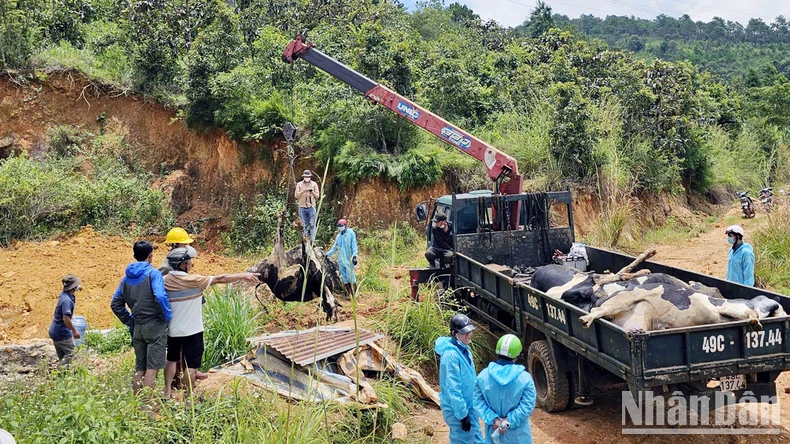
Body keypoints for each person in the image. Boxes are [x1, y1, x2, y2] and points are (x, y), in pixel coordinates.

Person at [162, 246, 259, 399]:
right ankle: (188, 399)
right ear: (183, 264)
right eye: (190, 261)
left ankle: (167, 392)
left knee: (171, 359)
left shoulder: (164, 281)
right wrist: (243, 275)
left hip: (172, 330)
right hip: (193, 331)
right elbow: (221, 278)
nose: (192, 264)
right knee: (191, 366)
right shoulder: (194, 281)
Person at [110, 240, 172, 394]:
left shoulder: (125, 279)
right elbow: (159, 295)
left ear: (134, 255)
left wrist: (130, 321)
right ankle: (147, 407)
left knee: (140, 368)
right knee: (152, 368)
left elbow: (115, 304)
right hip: (155, 326)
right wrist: (166, 316)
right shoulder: (153, 274)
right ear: (150, 256)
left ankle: (137, 406)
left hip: (138, 326)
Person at [473, 334, 536, 444]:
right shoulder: (525, 378)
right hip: (519, 437)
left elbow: (477, 402)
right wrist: (508, 421)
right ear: (518, 354)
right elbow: (527, 406)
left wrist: (494, 420)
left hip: (494, 433)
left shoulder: (482, 377)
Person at [434, 313, 484, 444]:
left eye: (469, 331)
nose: (468, 335)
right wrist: (462, 416)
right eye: (464, 332)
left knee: (478, 439)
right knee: (463, 440)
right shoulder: (451, 356)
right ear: (454, 333)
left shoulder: (464, 348)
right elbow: (453, 389)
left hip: (469, 407)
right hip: (458, 410)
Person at [48, 274, 83, 368]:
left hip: (54, 330)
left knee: (63, 356)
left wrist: (78, 287)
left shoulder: (64, 295)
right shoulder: (67, 301)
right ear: (73, 287)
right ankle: (58, 371)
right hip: (61, 332)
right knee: (72, 352)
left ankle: (63, 376)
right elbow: (65, 318)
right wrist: (74, 330)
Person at [326, 218, 359, 296]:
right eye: (338, 226)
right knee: (344, 277)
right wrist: (327, 254)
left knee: (350, 276)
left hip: (349, 258)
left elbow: (354, 245)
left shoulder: (351, 233)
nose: (339, 227)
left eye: (341, 225)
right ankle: (350, 293)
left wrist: (355, 256)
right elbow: (335, 248)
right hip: (341, 260)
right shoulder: (338, 236)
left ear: (345, 225)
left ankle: (355, 293)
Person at [295, 170, 320, 242]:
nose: (307, 178)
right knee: (304, 225)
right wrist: (303, 191)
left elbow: (317, 196)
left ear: (310, 177)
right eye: (305, 176)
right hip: (302, 207)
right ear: (303, 177)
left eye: (308, 176)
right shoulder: (299, 184)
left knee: (312, 224)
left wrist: (312, 192)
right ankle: (305, 241)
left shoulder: (314, 184)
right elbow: (296, 196)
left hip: (311, 207)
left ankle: (313, 241)